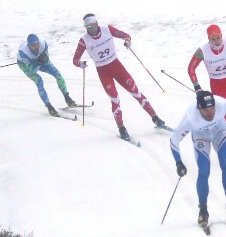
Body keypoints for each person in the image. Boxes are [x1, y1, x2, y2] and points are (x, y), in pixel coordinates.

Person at [170, 90, 226, 232]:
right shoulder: (190, 117)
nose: (210, 113)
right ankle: (203, 210)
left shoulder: (221, 103)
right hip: (200, 136)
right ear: (199, 108)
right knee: (204, 170)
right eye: (206, 110)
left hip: (219, 131)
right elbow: (174, 140)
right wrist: (178, 162)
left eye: (212, 109)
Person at [72, 13, 168, 142]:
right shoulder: (84, 40)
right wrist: (81, 64)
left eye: (93, 26)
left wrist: (128, 42)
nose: (91, 29)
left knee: (136, 93)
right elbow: (75, 60)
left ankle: (155, 117)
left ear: (96, 23)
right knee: (115, 99)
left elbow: (126, 36)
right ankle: (121, 128)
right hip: (103, 72)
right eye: (88, 27)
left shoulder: (107, 29)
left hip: (117, 67)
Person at [16, 33, 79, 117]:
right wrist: (38, 62)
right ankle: (49, 106)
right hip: (25, 65)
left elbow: (47, 60)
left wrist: (44, 60)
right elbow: (32, 70)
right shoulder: (23, 52)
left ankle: (67, 97)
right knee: (39, 81)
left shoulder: (43, 44)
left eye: (37, 44)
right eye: (33, 45)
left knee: (58, 75)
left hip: (38, 61)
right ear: (29, 46)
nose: (36, 47)